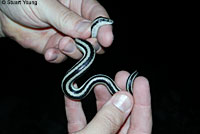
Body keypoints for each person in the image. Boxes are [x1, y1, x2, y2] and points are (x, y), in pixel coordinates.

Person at [0, 0, 152, 133]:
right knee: (95, 66)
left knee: (96, 70)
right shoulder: (82, 35)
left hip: (73, 86)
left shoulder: (84, 40)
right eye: (105, 22)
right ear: (97, 23)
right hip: (74, 81)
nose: (110, 23)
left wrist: (4, 20)